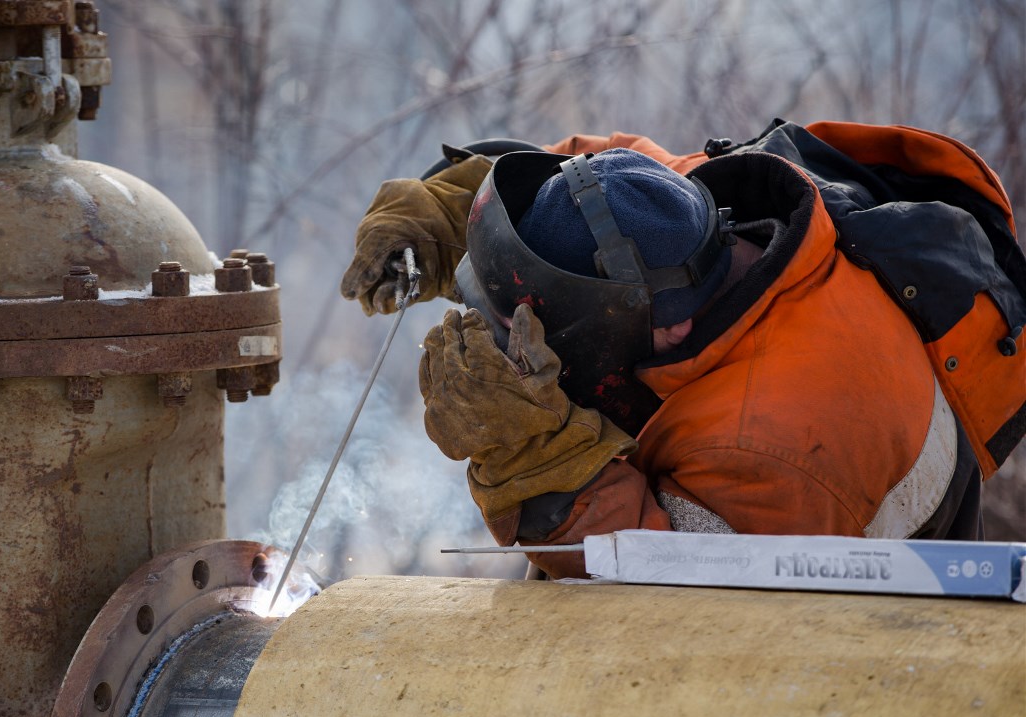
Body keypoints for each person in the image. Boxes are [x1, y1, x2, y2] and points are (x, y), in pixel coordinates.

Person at [341, 120, 1026, 579]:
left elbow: (667, 596)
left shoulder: (780, 443)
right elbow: (592, 178)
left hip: (833, 665)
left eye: (542, 325)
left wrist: (536, 457)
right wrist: (455, 214)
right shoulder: (681, 216)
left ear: (660, 327)